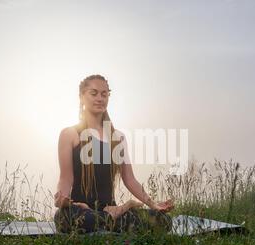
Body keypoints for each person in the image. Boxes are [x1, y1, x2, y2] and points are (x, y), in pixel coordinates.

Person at [53, 74, 174, 233]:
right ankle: (115, 214)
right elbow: (65, 178)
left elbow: (130, 180)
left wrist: (153, 205)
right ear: (82, 96)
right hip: (82, 211)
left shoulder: (118, 138)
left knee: (163, 221)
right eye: (94, 93)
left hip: (112, 209)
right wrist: (62, 199)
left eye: (104, 94)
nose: (100, 98)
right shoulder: (69, 134)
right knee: (64, 217)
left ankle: (111, 216)